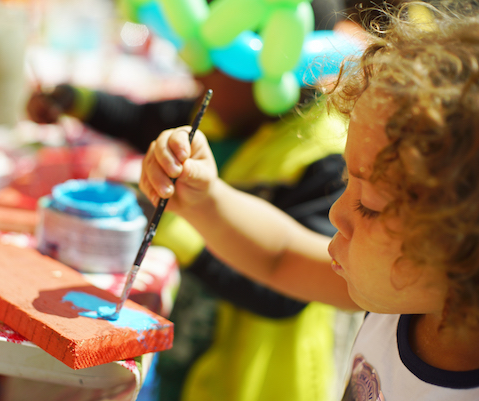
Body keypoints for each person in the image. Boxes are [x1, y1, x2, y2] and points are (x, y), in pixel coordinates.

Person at [139, 2, 479, 399]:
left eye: (367, 204)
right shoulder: (406, 293)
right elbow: (280, 256)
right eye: (347, 182)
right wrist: (205, 198)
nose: (337, 212)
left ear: (460, 242)